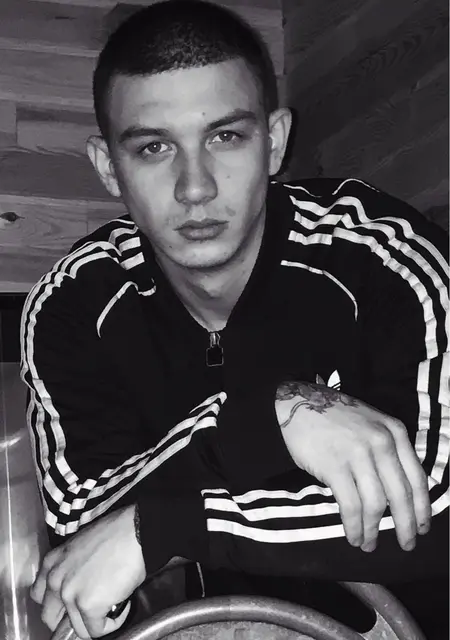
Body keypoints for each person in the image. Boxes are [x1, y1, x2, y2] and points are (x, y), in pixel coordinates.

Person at [20, 1, 448, 638]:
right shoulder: (74, 304)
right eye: (154, 147)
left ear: (273, 142)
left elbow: (439, 503)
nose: (195, 187)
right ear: (109, 167)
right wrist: (273, 420)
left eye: (225, 137)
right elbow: (81, 521)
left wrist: (167, 526)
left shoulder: (382, 257)